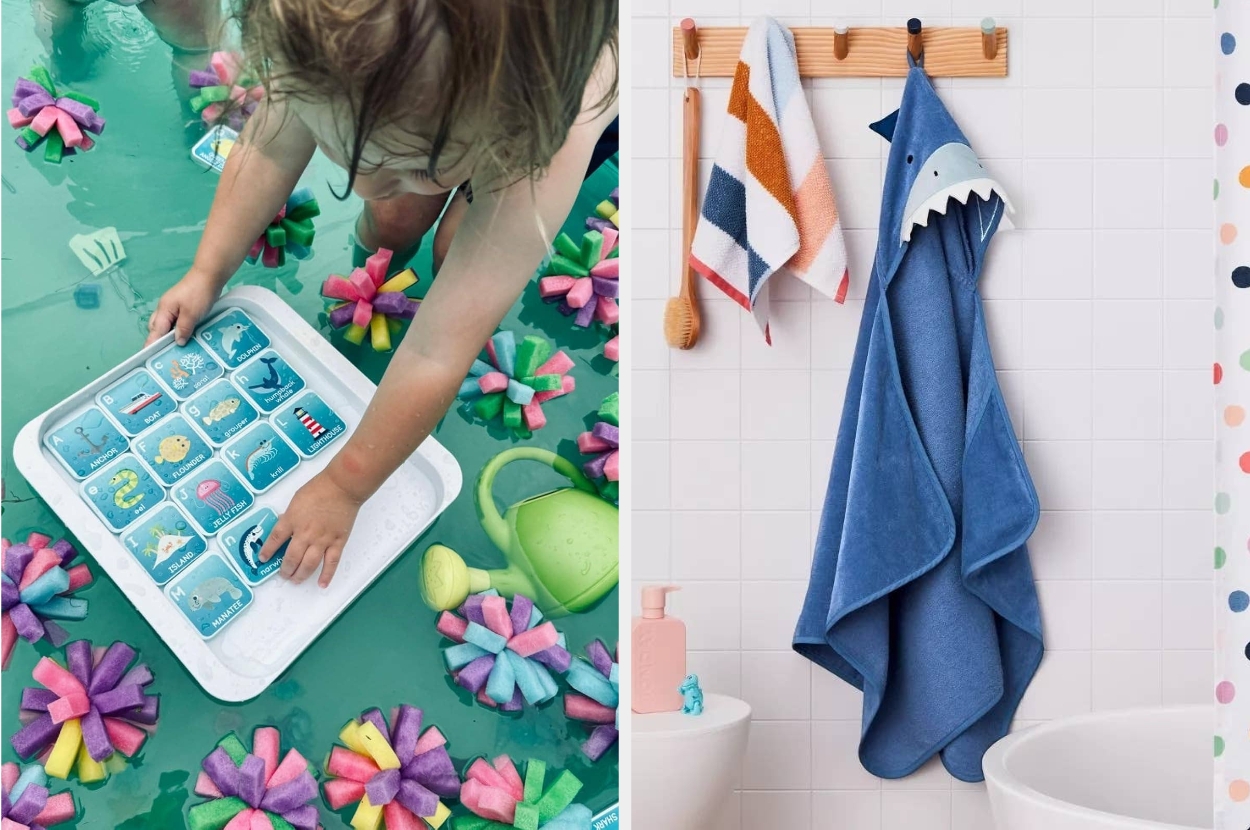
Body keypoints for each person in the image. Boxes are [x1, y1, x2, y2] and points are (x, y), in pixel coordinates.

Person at [144, 0, 618, 588]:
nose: (359, 184)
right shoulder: (322, 37)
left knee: (455, 258)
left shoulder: (542, 144)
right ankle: (394, 224)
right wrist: (206, 271)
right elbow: (267, 148)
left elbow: (437, 353)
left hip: (554, 107)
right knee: (392, 214)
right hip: (452, 104)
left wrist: (346, 485)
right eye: (336, 148)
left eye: (406, 164)